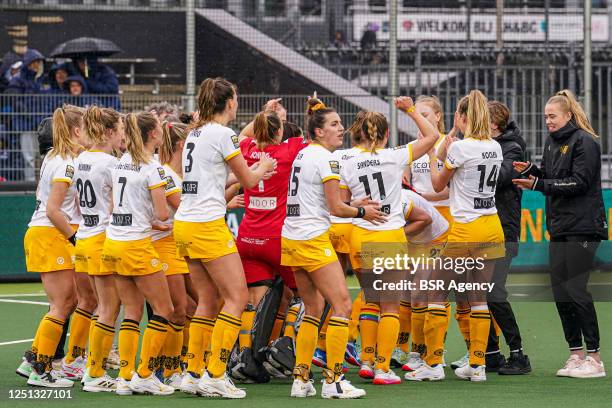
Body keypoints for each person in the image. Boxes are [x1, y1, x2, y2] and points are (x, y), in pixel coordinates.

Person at [174, 77, 275, 399]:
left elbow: (213, 179)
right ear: (229, 102)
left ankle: (193, 373)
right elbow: (247, 179)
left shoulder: (196, 134)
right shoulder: (223, 134)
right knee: (236, 297)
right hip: (206, 225)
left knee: (208, 300)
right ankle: (216, 373)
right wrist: (263, 166)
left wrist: (252, 170)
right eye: (235, 97)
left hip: (186, 224)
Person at [281, 96, 384, 399]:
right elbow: (336, 208)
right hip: (312, 238)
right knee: (342, 306)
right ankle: (333, 380)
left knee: (313, 308)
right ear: (318, 132)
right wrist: (362, 211)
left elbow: (327, 203)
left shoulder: (304, 154)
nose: (342, 129)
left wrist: (352, 204)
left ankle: (301, 380)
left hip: (293, 237)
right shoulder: (327, 159)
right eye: (335, 124)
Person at [409, 90, 505, 382]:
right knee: (478, 297)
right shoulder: (495, 147)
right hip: (492, 226)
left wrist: (436, 154)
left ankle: (433, 363)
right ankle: (478, 365)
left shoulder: (460, 149)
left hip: (465, 228)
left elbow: (439, 184)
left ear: (462, 118)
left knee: (436, 291)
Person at [340, 99, 438, 385]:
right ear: (384, 135)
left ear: (355, 133)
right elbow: (431, 136)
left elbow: (345, 203)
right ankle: (383, 368)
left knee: (371, 302)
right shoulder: (395, 156)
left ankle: (367, 361)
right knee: (391, 307)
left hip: (359, 236)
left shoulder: (347, 161)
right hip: (389, 236)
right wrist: (409, 111)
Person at [513, 90, 607, 379]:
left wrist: (538, 185)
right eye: (545, 117)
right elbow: (553, 177)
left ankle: (595, 358)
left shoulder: (586, 142)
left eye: (552, 116)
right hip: (560, 227)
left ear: (568, 115)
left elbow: (578, 183)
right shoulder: (552, 143)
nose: (548, 121)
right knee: (560, 290)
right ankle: (575, 354)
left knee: (576, 289)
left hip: (584, 227)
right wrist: (533, 171)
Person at [99, 111, 175, 396]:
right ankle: (144, 374)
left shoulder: (122, 161)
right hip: (136, 245)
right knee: (165, 309)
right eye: (159, 128)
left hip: (113, 243)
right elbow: (163, 212)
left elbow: (116, 205)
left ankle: (125, 375)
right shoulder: (152, 167)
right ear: (153, 134)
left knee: (132, 311)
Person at [19, 104, 86, 388]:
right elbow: (52, 209)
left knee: (68, 302)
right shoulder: (65, 163)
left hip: (49, 234)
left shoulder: (56, 156)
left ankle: (35, 358)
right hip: (50, 234)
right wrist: (74, 238)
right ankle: (40, 370)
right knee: (62, 304)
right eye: (85, 128)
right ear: (75, 131)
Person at [72, 106, 123, 392]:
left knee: (101, 307)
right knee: (108, 308)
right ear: (108, 132)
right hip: (103, 238)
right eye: (120, 131)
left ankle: (90, 366)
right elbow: (118, 204)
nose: (122, 137)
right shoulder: (109, 163)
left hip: (86, 235)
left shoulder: (82, 158)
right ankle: (94, 372)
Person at [483, 101, 531, 375]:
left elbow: (501, 178)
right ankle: (490, 353)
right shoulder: (491, 145)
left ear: (494, 124)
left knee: (493, 291)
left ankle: (518, 355)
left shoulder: (512, 146)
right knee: (478, 293)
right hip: (486, 226)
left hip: (504, 228)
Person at [153, 120, 192, 389]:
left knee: (190, 309)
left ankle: (177, 364)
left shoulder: (178, 175)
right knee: (177, 311)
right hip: (164, 246)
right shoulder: (165, 174)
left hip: (178, 245)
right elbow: (182, 206)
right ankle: (164, 368)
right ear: (181, 145)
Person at [5, 49, 47, 181]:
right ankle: (30, 184)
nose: (37, 66)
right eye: (35, 63)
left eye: (38, 63)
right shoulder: (18, 79)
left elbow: (44, 101)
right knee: (29, 157)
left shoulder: (39, 80)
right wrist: (31, 116)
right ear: (28, 63)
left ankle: (41, 183)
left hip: (39, 125)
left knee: (41, 157)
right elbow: (15, 101)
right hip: (26, 125)